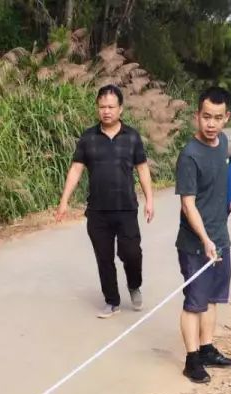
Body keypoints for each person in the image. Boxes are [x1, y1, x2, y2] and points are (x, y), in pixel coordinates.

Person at [57, 84, 154, 319]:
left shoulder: (131, 137)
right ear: (97, 108)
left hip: (126, 208)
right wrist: (64, 201)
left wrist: (150, 200)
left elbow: (142, 169)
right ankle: (112, 301)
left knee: (131, 253)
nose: (106, 111)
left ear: (120, 108)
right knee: (104, 257)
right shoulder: (88, 137)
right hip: (98, 210)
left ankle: (134, 284)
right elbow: (76, 169)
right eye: (102, 107)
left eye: (111, 106)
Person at [175, 86, 231, 384]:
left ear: (226, 117)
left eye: (217, 117)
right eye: (206, 117)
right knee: (194, 302)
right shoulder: (189, 155)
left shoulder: (223, 142)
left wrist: (230, 198)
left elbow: (222, 174)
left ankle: (207, 348)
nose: (211, 124)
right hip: (196, 243)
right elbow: (187, 204)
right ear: (196, 117)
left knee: (213, 298)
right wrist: (204, 240)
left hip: (220, 237)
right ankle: (191, 360)